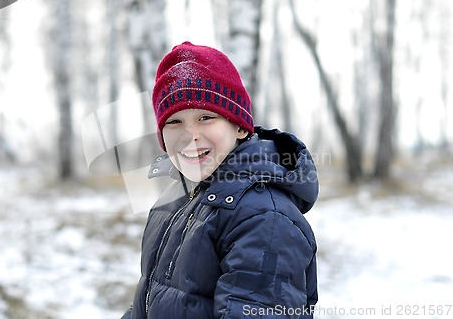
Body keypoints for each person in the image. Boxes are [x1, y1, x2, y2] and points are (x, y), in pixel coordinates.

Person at [121, 41, 318, 319]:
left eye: (205, 117)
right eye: (174, 122)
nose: (190, 135)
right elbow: (149, 301)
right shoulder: (174, 200)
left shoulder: (264, 218)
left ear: (239, 126)